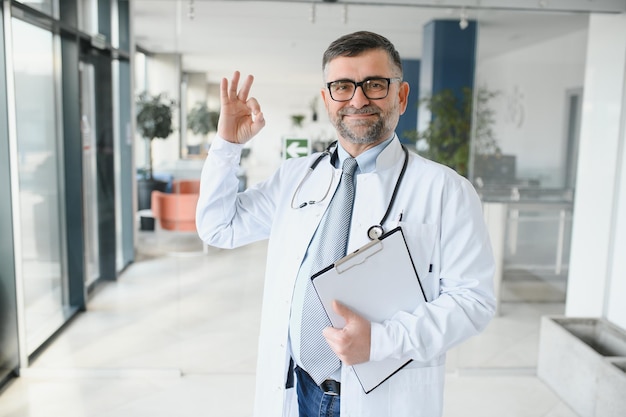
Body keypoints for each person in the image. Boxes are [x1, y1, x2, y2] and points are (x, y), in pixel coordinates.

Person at [196, 31, 496, 417]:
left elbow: (473, 301)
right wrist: (227, 146)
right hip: (298, 386)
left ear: (401, 96)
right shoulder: (296, 176)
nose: (357, 99)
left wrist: (381, 342)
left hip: (383, 398)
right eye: (342, 86)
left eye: (374, 84)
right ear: (326, 99)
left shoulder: (445, 190)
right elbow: (219, 227)